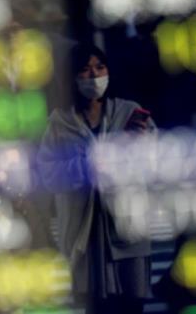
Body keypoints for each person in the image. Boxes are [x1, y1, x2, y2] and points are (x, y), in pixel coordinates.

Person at [38, 44, 156, 314]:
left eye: (99, 67)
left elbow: (154, 164)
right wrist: (90, 164)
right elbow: (49, 174)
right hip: (85, 235)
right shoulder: (60, 123)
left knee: (132, 305)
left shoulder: (128, 112)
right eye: (85, 69)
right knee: (95, 305)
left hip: (127, 231)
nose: (93, 76)